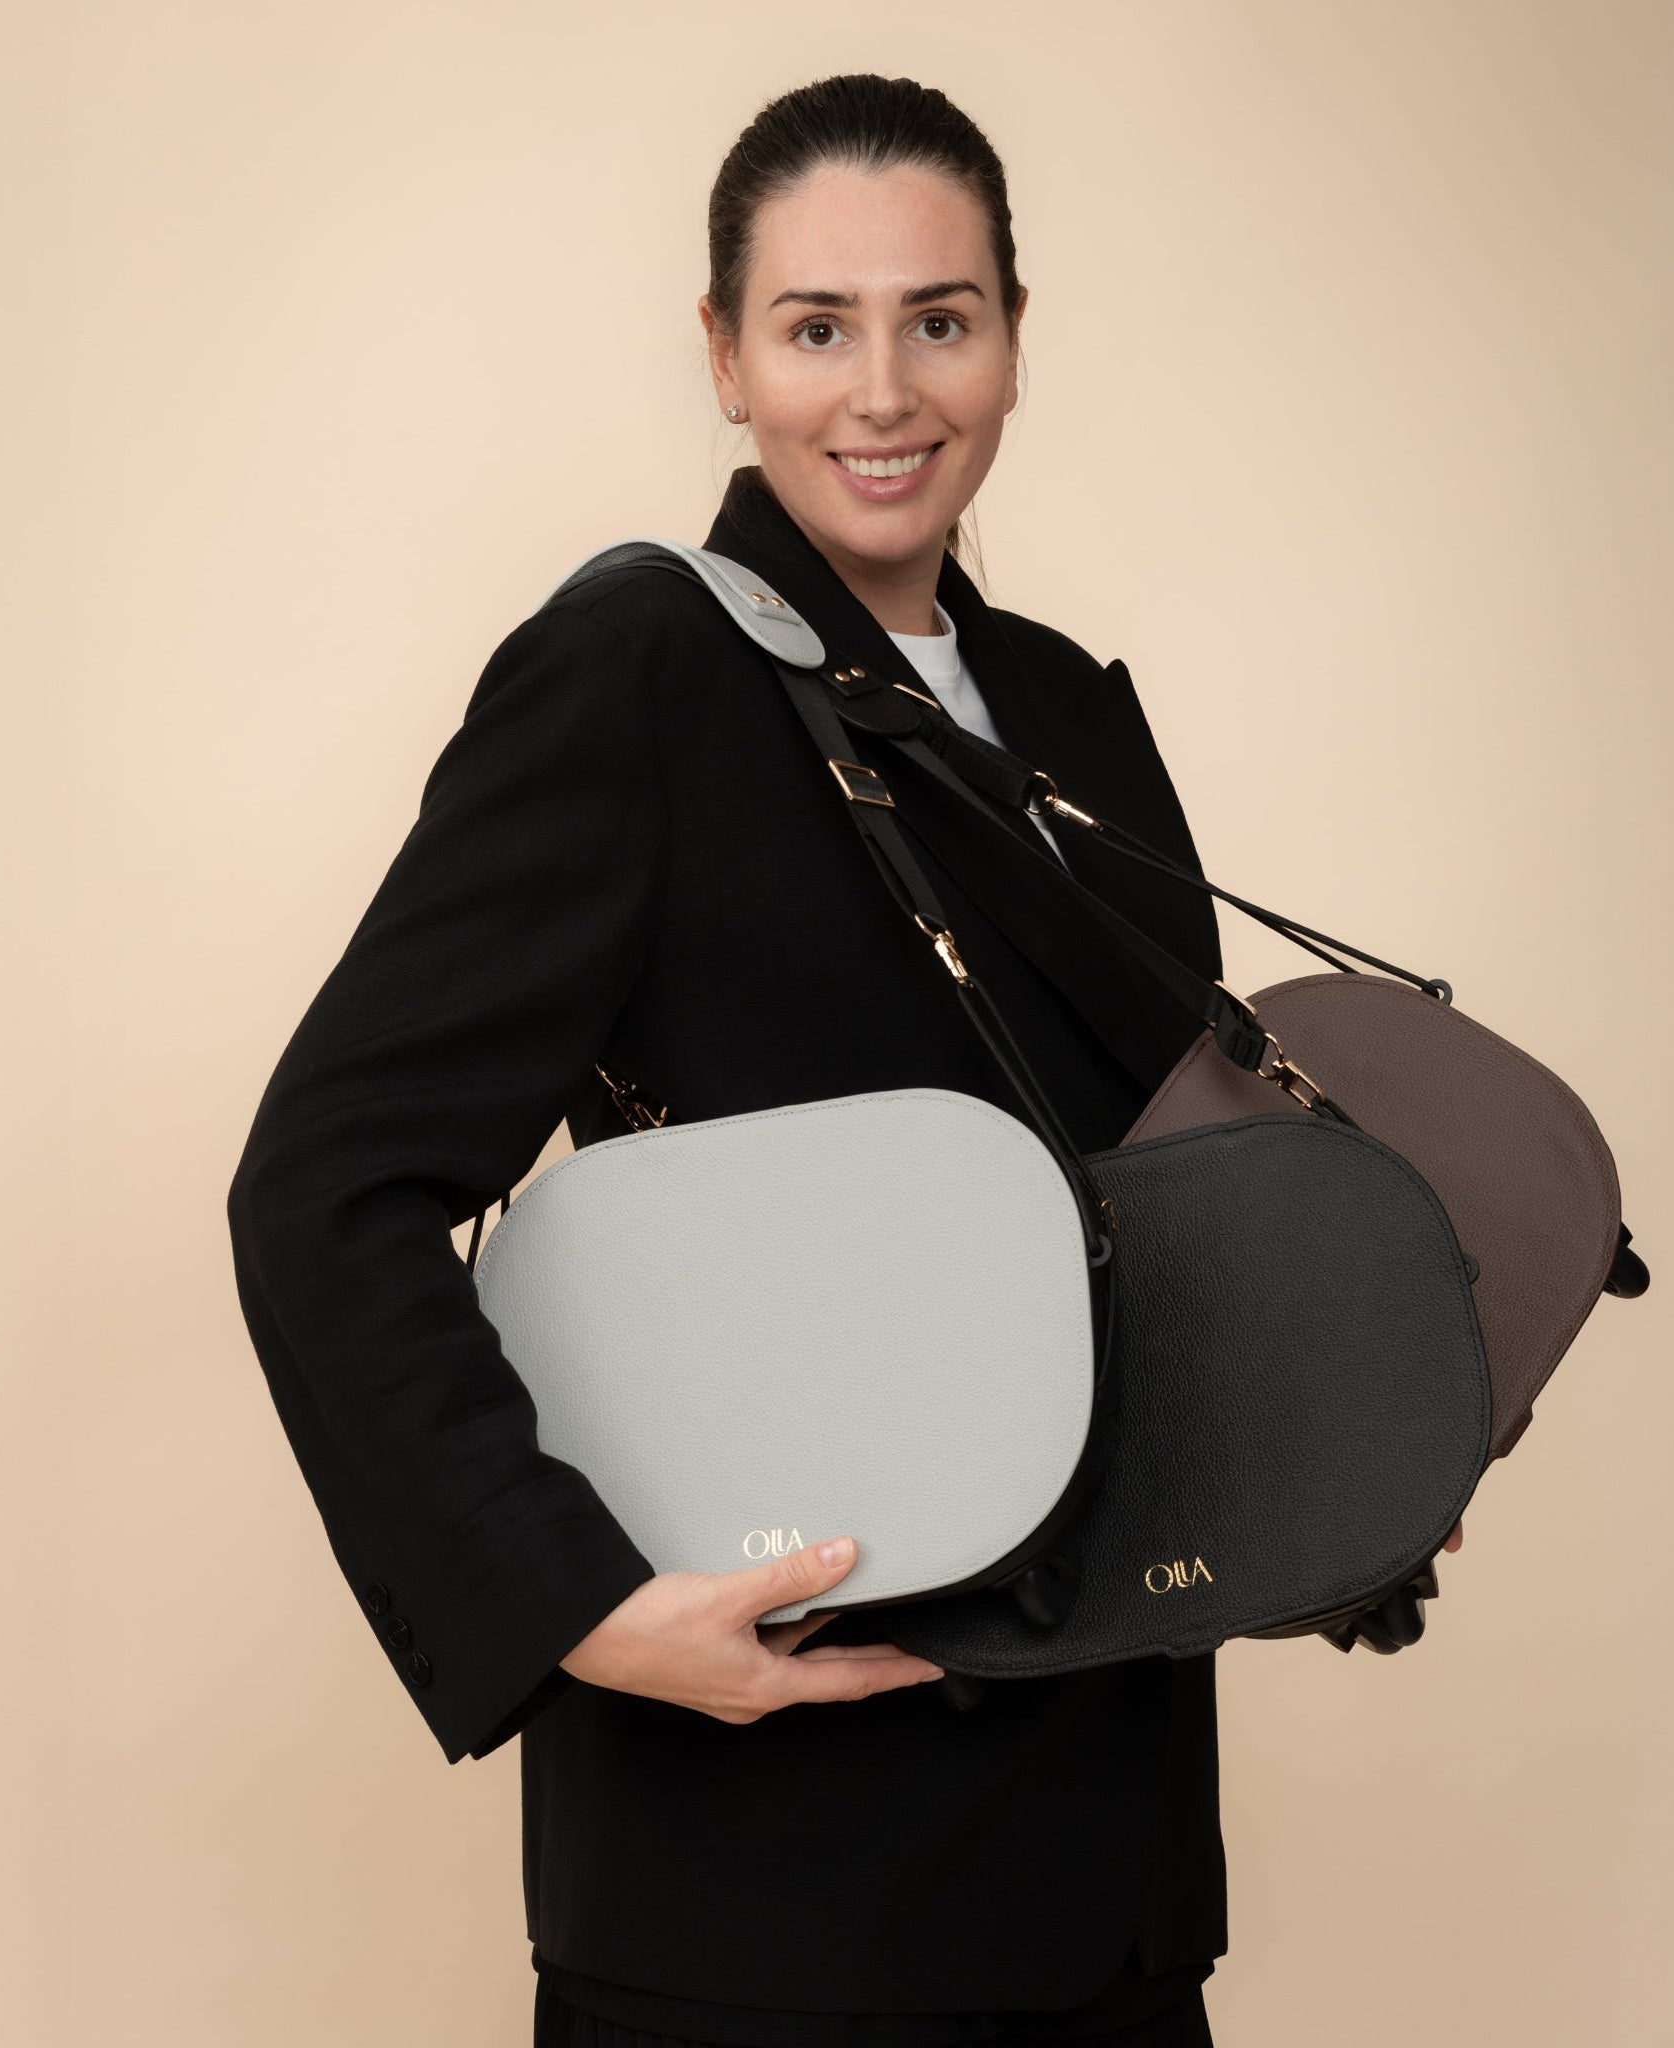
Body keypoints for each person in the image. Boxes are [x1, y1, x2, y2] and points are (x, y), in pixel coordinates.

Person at [228, 72, 1246, 2048]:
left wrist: (1337, 1443)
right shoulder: (631, 677)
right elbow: (325, 1183)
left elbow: (1149, 1193)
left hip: (1111, 1876)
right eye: (815, 327)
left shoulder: (1069, 716)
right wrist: (575, 1603)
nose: (883, 391)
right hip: (762, 1908)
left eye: (938, 319)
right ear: (722, 357)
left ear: (1014, 342)